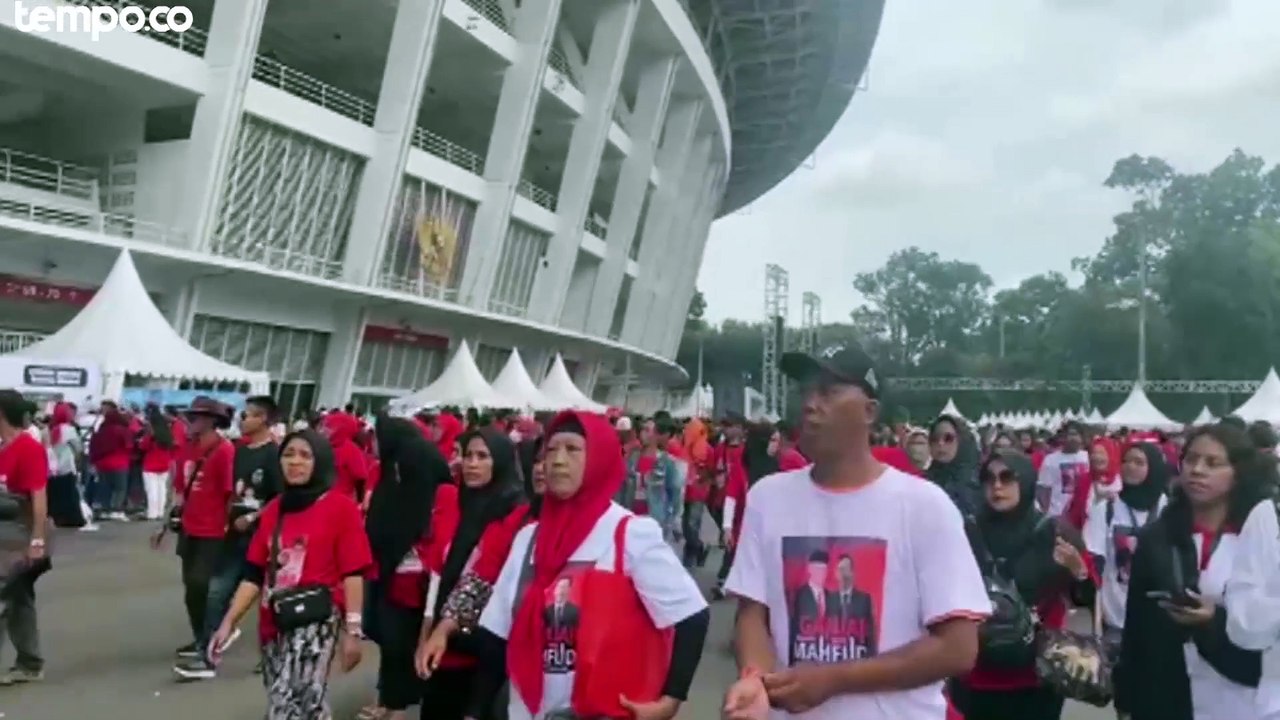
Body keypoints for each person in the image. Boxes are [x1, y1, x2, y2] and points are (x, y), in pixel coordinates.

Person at [723, 344, 989, 720]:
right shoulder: (767, 498)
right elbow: (753, 614)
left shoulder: (925, 506)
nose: (810, 404)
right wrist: (754, 678)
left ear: (870, 411)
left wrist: (834, 679)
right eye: (806, 391)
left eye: (828, 392)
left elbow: (958, 648)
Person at [473, 410, 710, 720]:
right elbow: (496, 634)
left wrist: (669, 701)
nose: (558, 461)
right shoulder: (528, 539)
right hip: (527, 710)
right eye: (551, 450)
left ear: (598, 458)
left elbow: (691, 615)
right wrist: (474, 711)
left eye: (572, 449)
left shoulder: (628, 534)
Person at [210, 430, 371, 719]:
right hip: (275, 621)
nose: (295, 462)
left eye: (305, 456)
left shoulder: (340, 508)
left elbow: (353, 573)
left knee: (287, 705)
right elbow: (254, 574)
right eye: (288, 454)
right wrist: (228, 622)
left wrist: (353, 631)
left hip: (315, 622)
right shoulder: (275, 509)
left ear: (320, 461)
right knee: (298, 702)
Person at [1116, 423, 1270, 720]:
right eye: (1191, 460)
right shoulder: (1157, 537)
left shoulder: (1261, 539)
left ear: (1238, 472)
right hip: (1166, 692)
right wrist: (1127, 695)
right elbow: (1137, 623)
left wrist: (1213, 622)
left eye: (1213, 463)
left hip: (1242, 697)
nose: (1197, 470)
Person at [949, 450, 1095, 720]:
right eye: (989, 478)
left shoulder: (1056, 532)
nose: (997, 486)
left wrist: (1079, 571)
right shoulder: (965, 531)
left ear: (1026, 480)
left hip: (1037, 677)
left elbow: (1088, 599)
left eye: (1007, 477)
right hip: (977, 675)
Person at [174, 395, 283, 680]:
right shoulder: (238, 451)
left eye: (248, 415)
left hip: (262, 539)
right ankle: (207, 652)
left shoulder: (275, 455)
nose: (241, 420)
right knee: (215, 593)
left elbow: (281, 498)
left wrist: (254, 517)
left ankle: (273, 654)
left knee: (271, 601)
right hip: (234, 537)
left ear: (263, 419)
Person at [363, 418, 451, 720]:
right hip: (386, 570)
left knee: (397, 642)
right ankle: (389, 698)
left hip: (409, 578)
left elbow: (414, 522)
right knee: (389, 638)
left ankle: (396, 704)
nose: (373, 445)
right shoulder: (392, 471)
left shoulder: (415, 466)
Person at [164, 397, 236, 664]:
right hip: (189, 527)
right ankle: (200, 637)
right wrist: (170, 518)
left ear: (211, 421)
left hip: (212, 532)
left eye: (195, 417)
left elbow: (229, 494)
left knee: (201, 586)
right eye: (189, 416)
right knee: (191, 589)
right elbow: (180, 487)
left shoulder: (224, 450)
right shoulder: (188, 447)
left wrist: (228, 526)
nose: (189, 422)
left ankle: (212, 638)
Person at [1083, 441, 1169, 656]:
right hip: (1116, 617)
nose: (1130, 466)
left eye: (1139, 462)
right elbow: (1093, 559)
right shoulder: (1107, 509)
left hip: (1160, 619)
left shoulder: (1169, 509)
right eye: (1126, 461)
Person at [0, 390, 50, 685]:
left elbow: (39, 497)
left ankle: (30, 663)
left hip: (19, 537)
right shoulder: (4, 448)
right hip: (5, 536)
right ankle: (30, 664)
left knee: (7, 598)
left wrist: (37, 541)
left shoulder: (28, 448)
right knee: (19, 599)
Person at [927, 414, 982, 520]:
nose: (940, 443)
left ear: (962, 440)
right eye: (934, 438)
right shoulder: (924, 481)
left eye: (948, 438)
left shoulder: (982, 480)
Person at [88, 400, 132, 521]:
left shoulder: (102, 428)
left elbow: (95, 445)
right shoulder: (123, 430)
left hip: (102, 463)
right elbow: (129, 445)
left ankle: (104, 510)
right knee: (120, 488)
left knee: (105, 487)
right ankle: (116, 510)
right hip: (119, 462)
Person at [1036, 422, 1090, 518]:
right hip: (1057, 514)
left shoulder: (1088, 457)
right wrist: (1046, 513)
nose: (1073, 438)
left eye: (1076, 435)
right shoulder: (1051, 459)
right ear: (1063, 437)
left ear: (1082, 438)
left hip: (1084, 514)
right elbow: (1043, 488)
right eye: (1070, 434)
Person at [140, 404, 177, 521]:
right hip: (164, 463)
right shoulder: (167, 433)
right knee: (162, 489)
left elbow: (143, 446)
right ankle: (160, 512)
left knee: (152, 490)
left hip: (151, 464)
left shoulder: (151, 434)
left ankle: (152, 513)